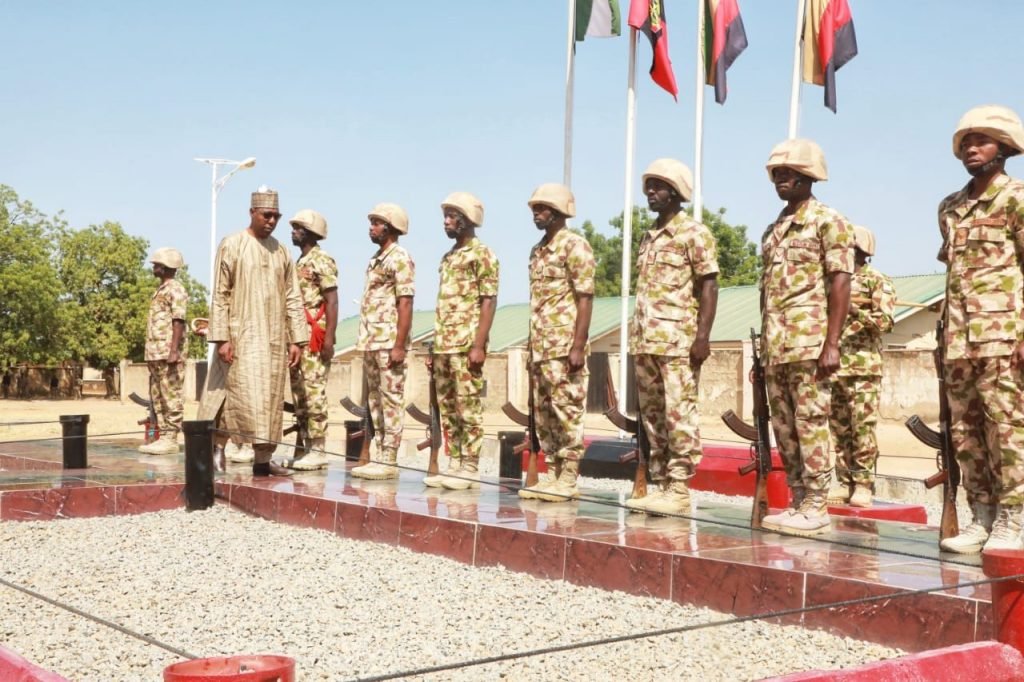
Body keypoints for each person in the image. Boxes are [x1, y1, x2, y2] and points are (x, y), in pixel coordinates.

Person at [937, 105, 1024, 554]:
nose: (972, 148)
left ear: (1006, 148)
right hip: (957, 339)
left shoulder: (1017, 199)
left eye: (983, 140)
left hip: (1003, 337)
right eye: (966, 142)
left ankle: (1014, 517)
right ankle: (982, 515)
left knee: (1006, 428)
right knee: (967, 433)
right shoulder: (950, 207)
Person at [757, 139, 855, 536]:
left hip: (809, 343)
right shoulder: (773, 229)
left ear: (810, 176)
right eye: (776, 173)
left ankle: (817, 502)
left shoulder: (828, 221)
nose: (781, 178)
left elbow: (840, 283)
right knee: (785, 426)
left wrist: (832, 342)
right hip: (776, 347)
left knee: (811, 422)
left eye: (790, 172)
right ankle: (799, 499)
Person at [625, 159, 719, 516]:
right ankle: (661, 480)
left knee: (679, 413)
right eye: (648, 185)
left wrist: (702, 337)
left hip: (677, 340)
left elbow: (708, 285)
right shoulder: (648, 237)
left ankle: (678, 486)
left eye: (658, 186)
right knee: (653, 416)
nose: (651, 192)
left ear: (676, 192)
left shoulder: (693, 233)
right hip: (646, 340)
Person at [197, 186, 309, 477]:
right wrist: (221, 337)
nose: (271, 221)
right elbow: (220, 294)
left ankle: (262, 460)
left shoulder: (281, 251)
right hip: (239, 336)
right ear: (252, 213)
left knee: (269, 400)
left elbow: (293, 296)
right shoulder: (232, 244)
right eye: (266, 215)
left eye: (276, 216)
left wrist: (297, 339)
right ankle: (218, 449)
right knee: (231, 394)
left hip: (273, 338)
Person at [517, 183, 595, 503]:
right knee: (545, 412)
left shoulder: (575, 246)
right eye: (534, 209)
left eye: (542, 208)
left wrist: (578, 345)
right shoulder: (537, 250)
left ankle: (569, 475)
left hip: (564, 345)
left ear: (559, 212)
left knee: (566, 409)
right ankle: (553, 470)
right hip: (541, 346)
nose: (536, 214)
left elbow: (585, 297)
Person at [424, 192, 499, 490]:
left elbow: (488, 301)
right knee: (448, 407)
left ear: (467, 220)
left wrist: (479, 344)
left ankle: (469, 465)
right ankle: (453, 461)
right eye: (446, 215)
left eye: (452, 216)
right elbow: (444, 305)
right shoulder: (449, 257)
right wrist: (435, 344)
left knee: (468, 406)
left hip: (467, 344)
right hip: (444, 344)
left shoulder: (483, 254)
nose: (446, 221)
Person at [827, 225, 895, 508]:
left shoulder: (876, 280)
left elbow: (885, 322)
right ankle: (844, 481)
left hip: (863, 367)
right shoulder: (830, 281)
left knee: (862, 428)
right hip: (834, 366)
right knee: (839, 428)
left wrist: (852, 308)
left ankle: (863, 483)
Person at [350, 203, 415, 480]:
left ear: (390, 227)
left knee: (390, 399)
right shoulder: (376, 259)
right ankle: (379, 452)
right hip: (372, 340)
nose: (371, 228)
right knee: (375, 399)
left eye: (377, 223)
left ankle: (390, 456)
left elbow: (405, 303)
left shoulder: (399, 258)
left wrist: (399, 345)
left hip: (389, 341)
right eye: (372, 222)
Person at [283, 209, 339, 471]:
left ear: (310, 232)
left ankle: (318, 448)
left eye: (297, 227)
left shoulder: (322, 260)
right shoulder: (299, 262)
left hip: (314, 336)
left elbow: (331, 300)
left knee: (314, 392)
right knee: (301, 395)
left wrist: (329, 339)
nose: (293, 231)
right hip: (297, 337)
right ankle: (305, 446)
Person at [138, 247, 188, 455]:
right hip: (155, 351)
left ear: (166, 267)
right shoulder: (161, 289)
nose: (154, 267)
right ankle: (163, 434)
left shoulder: (175, 289)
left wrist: (174, 351)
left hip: (168, 352)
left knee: (171, 395)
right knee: (158, 396)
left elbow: (179, 320)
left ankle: (171, 437)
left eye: (157, 264)